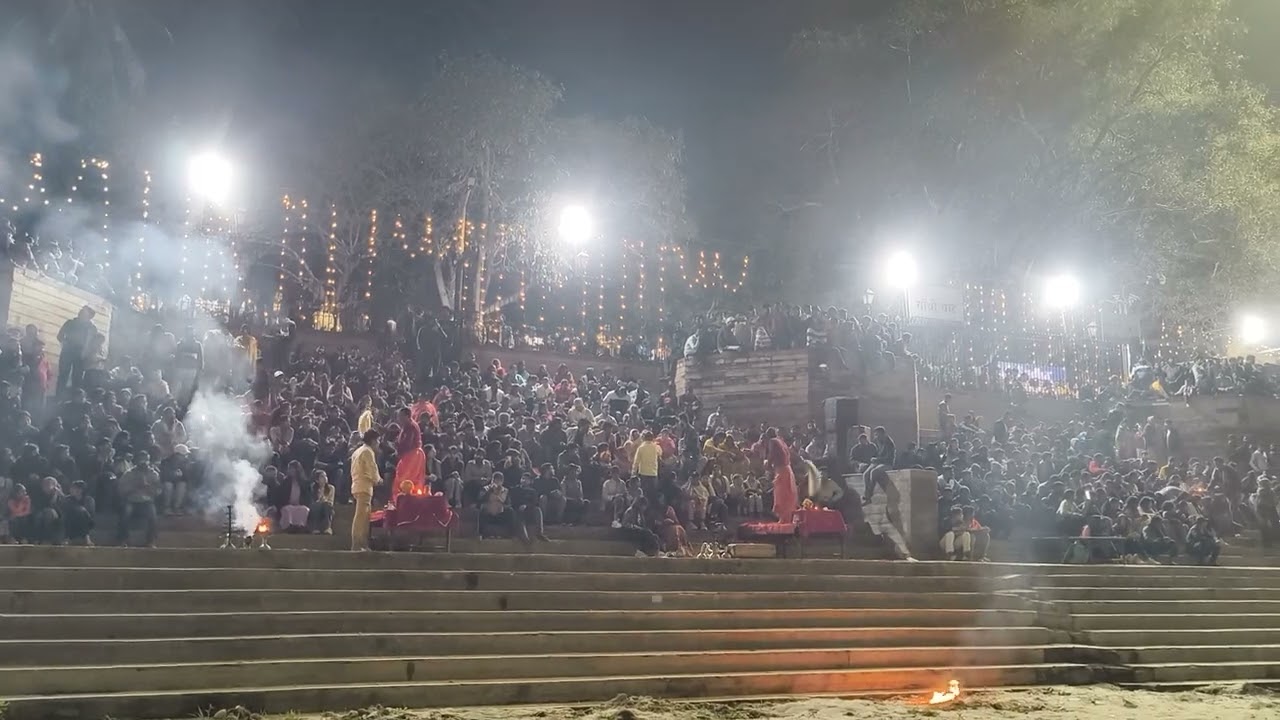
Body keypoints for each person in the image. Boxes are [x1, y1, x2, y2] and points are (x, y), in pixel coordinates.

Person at [115, 450, 159, 547]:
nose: (143, 462)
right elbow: (121, 490)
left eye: (146, 459)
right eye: (141, 459)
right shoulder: (128, 474)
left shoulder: (154, 474)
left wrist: (147, 487)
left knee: (153, 515)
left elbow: (157, 492)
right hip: (131, 501)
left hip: (147, 501)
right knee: (125, 513)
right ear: (137, 460)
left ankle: (151, 541)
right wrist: (134, 486)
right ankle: (123, 540)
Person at [349, 429, 381, 551]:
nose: (378, 443)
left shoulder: (357, 451)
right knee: (361, 517)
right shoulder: (368, 452)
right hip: (364, 486)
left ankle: (362, 543)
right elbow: (372, 469)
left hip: (357, 484)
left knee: (363, 516)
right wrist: (378, 479)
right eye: (377, 441)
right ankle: (357, 544)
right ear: (373, 441)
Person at [56, 305, 97, 393]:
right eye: (81, 310)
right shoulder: (70, 323)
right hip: (68, 351)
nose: (80, 312)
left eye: (83, 311)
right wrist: (65, 344)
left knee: (77, 378)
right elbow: (60, 336)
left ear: (89, 316)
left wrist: (88, 353)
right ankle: (59, 398)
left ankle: (74, 399)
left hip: (82, 354)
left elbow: (94, 344)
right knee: (63, 375)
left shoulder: (92, 328)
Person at [763, 427, 797, 521]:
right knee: (787, 494)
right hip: (788, 469)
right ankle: (787, 517)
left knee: (781, 495)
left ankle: (784, 518)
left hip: (781, 470)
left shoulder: (772, 441)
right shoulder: (781, 441)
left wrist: (768, 465)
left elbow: (771, 454)